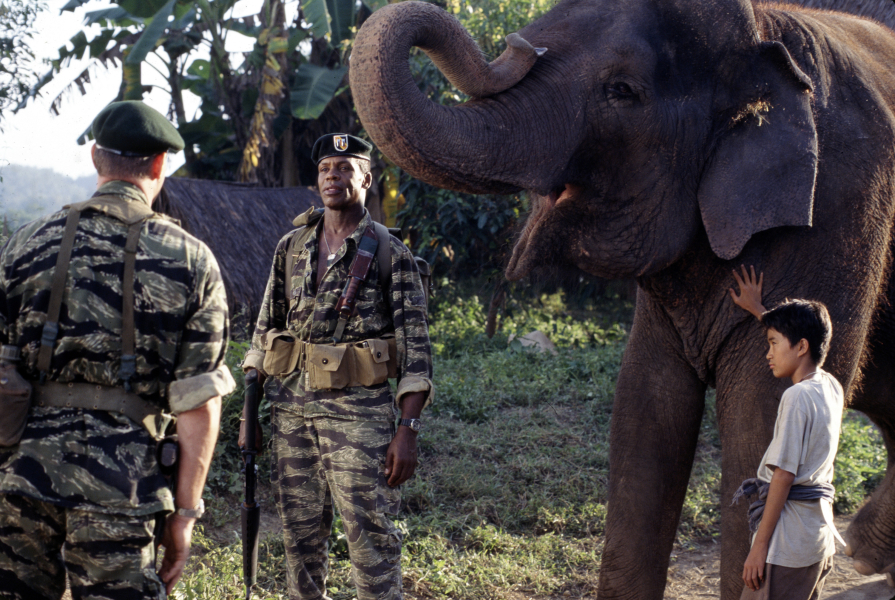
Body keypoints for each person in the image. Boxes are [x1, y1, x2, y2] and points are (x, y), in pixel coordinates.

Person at [0, 100, 234, 599]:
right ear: (159, 164)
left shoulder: (24, 244)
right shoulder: (190, 259)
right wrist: (184, 516)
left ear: (94, 157)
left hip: (19, 479)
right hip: (124, 488)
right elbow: (198, 403)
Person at [241, 133, 433, 600]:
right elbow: (265, 330)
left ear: (366, 179)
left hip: (359, 417)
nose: (333, 176)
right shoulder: (291, 246)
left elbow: (416, 351)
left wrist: (407, 429)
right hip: (291, 412)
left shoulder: (390, 253)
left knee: (370, 536)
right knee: (299, 536)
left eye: (345, 168)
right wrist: (249, 412)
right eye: (326, 168)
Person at [729, 265, 845, 600]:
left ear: (801, 346)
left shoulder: (796, 397)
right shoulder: (830, 386)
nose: (768, 353)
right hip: (817, 541)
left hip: (786, 548)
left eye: (773, 343)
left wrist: (759, 548)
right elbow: (802, 342)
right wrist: (760, 312)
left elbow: (783, 476)